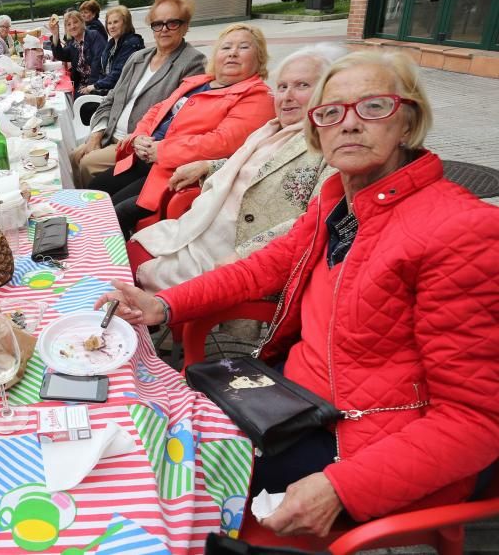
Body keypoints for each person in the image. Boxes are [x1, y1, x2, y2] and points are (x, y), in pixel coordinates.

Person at [97, 51, 499, 538]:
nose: (348, 125)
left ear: (408, 123)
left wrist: (343, 487)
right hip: (297, 397)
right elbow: (260, 269)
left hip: (368, 439)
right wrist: (163, 304)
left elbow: (475, 422)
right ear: (317, 131)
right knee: (151, 427)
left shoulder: (460, 230)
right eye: (331, 112)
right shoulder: (339, 201)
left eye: (372, 107)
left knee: (178, 476)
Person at [129, 44, 344, 292]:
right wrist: (208, 166)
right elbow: (257, 168)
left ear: (328, 92)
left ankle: (139, 320)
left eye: (302, 85)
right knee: (120, 252)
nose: (287, 96)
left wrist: (244, 256)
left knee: (124, 273)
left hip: (237, 252)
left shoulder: (329, 144)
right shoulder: (272, 129)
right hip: (199, 226)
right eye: (283, 87)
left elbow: (316, 222)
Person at [90, 23, 274, 234]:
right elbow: (158, 109)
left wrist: (162, 150)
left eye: (243, 47)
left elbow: (222, 143)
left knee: (112, 214)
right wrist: (140, 134)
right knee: (94, 190)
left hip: (178, 174)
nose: (233, 53)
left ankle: (108, 263)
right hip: (147, 157)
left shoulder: (257, 97)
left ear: (259, 57)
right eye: (226, 47)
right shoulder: (199, 82)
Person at [71, 0, 206, 188]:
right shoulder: (138, 57)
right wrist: (97, 134)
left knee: (86, 164)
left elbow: (179, 119)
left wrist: (134, 140)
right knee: (71, 157)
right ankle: (81, 206)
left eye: (173, 23)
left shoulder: (192, 62)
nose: (164, 29)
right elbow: (111, 98)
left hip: (136, 144)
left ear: (185, 26)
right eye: (158, 24)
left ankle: (94, 210)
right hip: (111, 133)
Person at [79, 5, 145, 96]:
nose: (112, 26)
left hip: (124, 93)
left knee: (82, 103)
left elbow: (119, 74)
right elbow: (103, 72)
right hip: (110, 90)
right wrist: (94, 85)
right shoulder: (111, 43)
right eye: (109, 23)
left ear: (126, 23)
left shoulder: (131, 43)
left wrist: (95, 86)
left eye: (116, 22)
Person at [48, 9, 107, 95]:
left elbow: (97, 63)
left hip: (98, 84)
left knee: (71, 99)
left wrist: (91, 87)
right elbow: (60, 55)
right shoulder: (74, 43)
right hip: (82, 84)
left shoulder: (94, 36)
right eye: (69, 24)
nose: (72, 26)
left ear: (82, 23)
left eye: (75, 22)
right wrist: (55, 35)